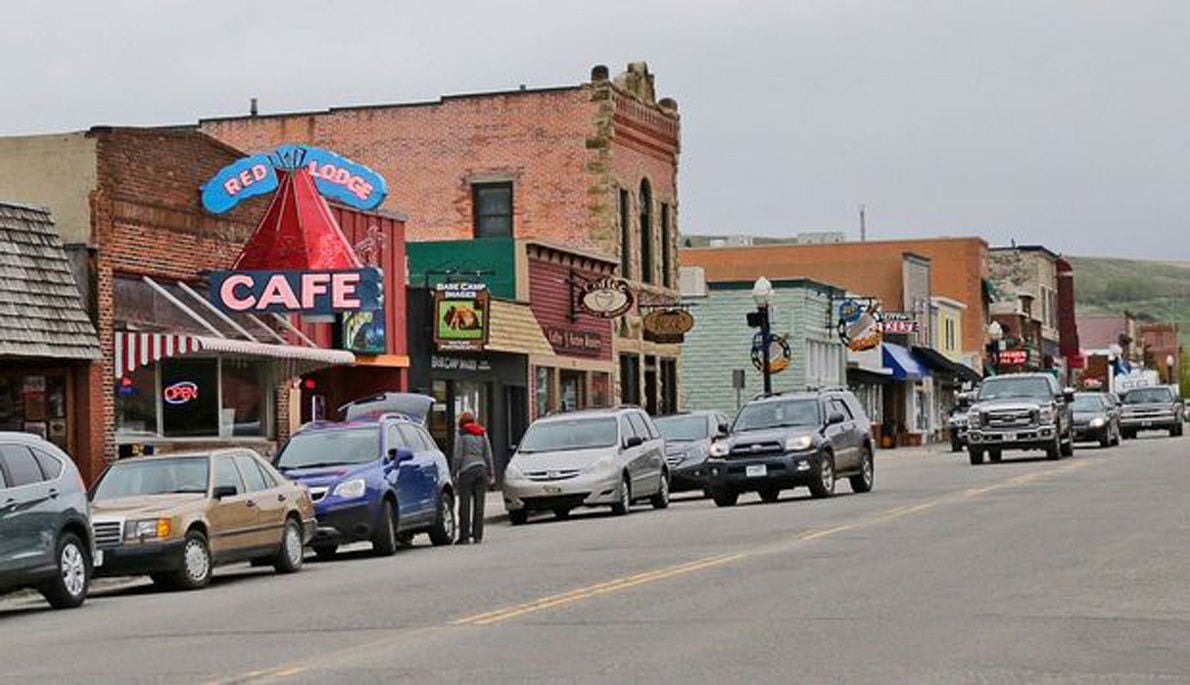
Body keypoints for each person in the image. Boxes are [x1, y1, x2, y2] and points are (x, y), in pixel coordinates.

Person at [453, 411, 494, 545]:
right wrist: (491, 473)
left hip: (466, 471)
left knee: (464, 505)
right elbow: (488, 454)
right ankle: (478, 536)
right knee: (479, 505)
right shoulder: (482, 433)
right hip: (481, 470)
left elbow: (458, 456)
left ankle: (464, 537)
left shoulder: (461, 434)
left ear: (462, 422)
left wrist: (454, 472)